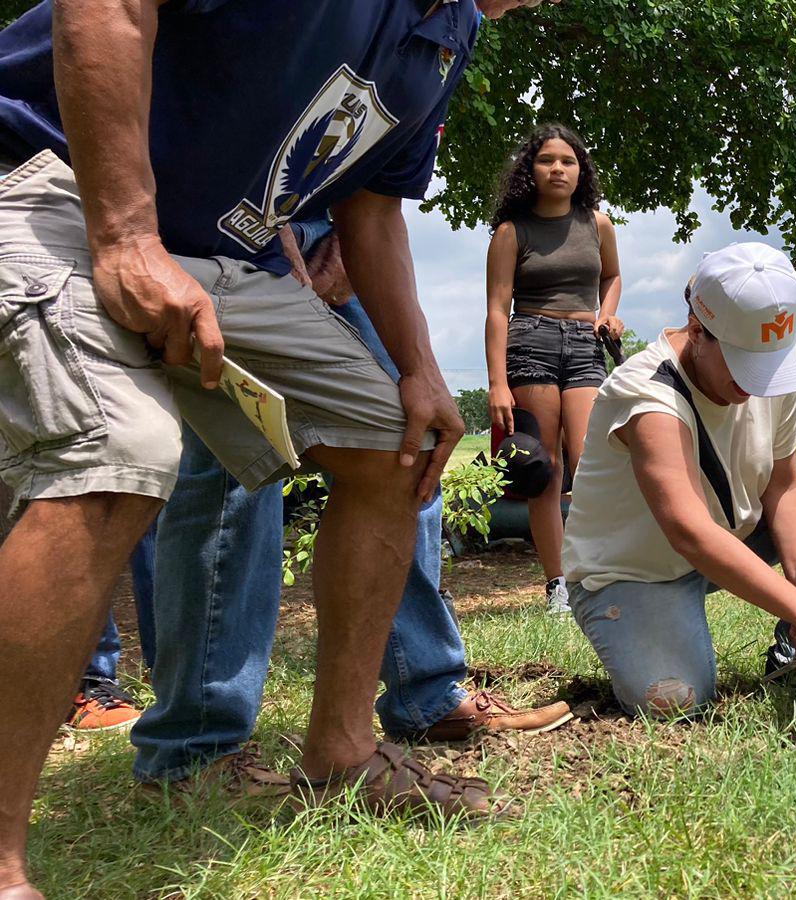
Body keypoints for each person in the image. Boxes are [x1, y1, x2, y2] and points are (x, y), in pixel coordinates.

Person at [0, 2, 563, 893]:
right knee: (123, 451)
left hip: (218, 253)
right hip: (54, 180)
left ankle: (342, 752)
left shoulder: (447, 34)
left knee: (395, 443)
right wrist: (125, 235)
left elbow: (370, 208)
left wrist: (418, 368)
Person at [128, 220, 571, 795]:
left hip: (332, 246)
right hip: (218, 243)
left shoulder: (408, 136)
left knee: (408, 445)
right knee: (232, 467)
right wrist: (280, 245)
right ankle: (193, 747)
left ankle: (425, 695)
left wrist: (415, 357)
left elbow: (378, 200)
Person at [562, 244, 796, 718]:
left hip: (730, 536)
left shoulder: (769, 357)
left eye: (768, 362)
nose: (756, 383)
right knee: (677, 701)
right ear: (698, 330)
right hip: (635, 572)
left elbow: (783, 484)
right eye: (744, 363)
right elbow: (690, 532)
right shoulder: (646, 391)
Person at [484, 123, 622, 616]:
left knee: (590, 460)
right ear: (531, 170)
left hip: (586, 344)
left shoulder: (598, 224)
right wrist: (497, 382)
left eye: (567, 160)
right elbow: (497, 309)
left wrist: (608, 312)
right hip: (531, 343)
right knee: (545, 469)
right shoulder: (511, 231)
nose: (557, 168)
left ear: (580, 169)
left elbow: (611, 275)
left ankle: (597, 570)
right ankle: (558, 585)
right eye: (547, 160)